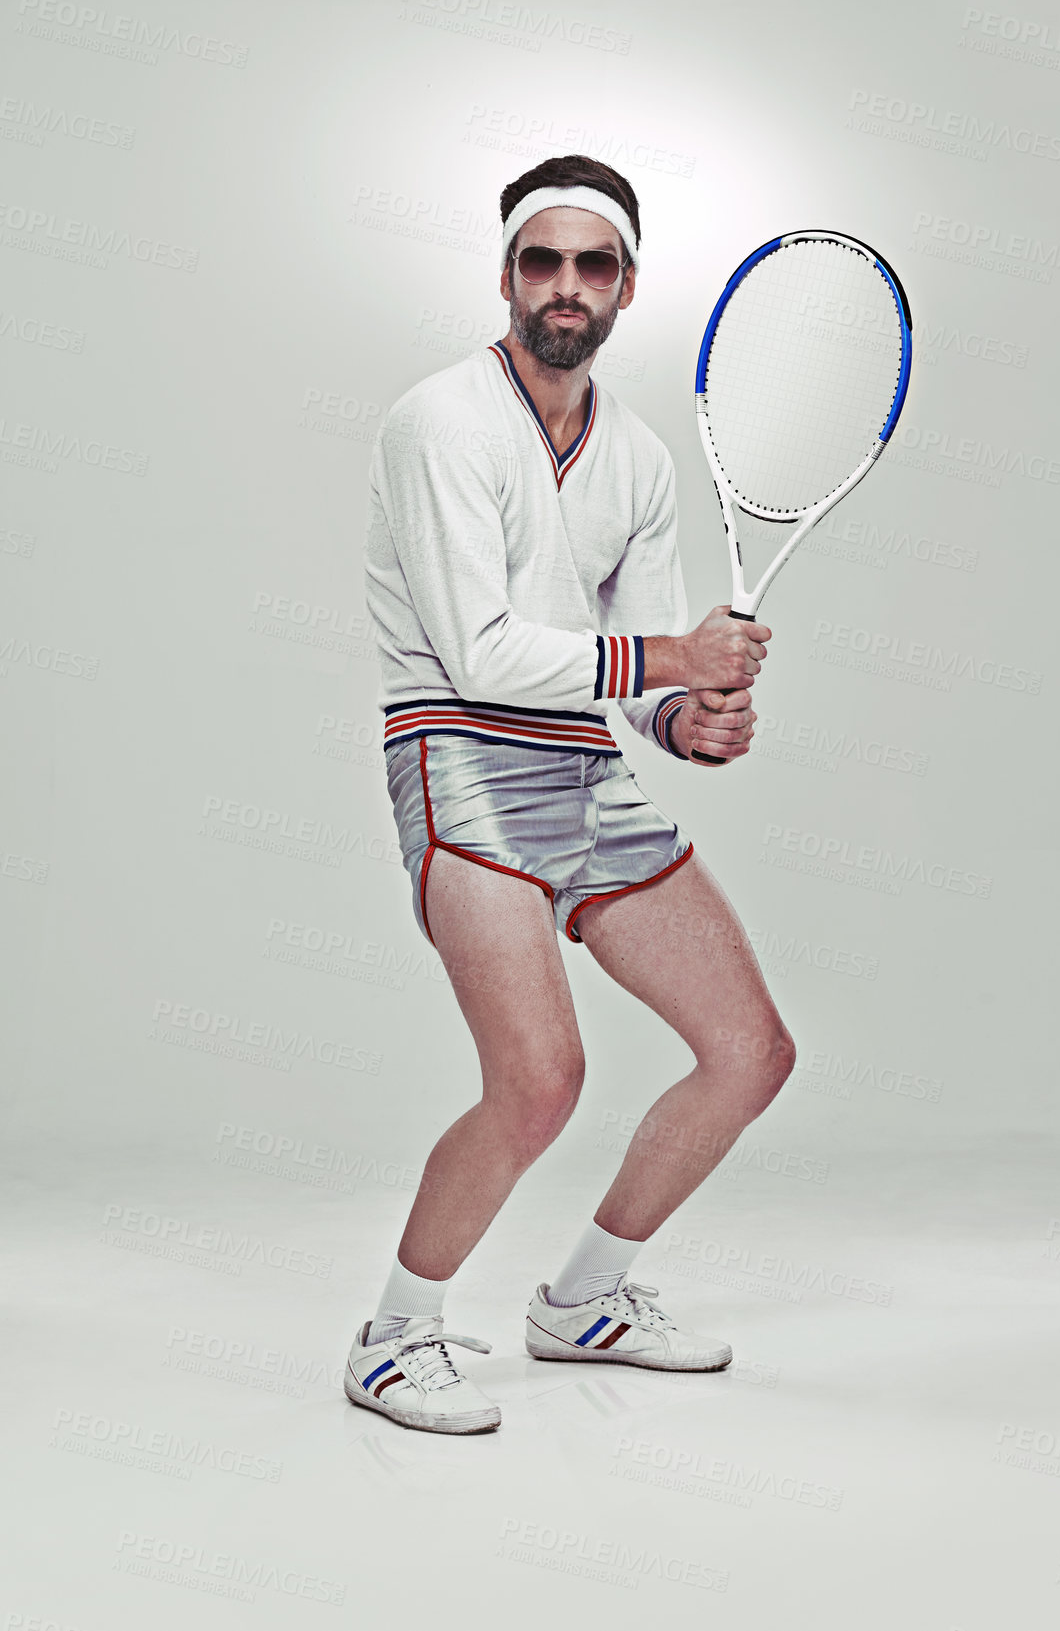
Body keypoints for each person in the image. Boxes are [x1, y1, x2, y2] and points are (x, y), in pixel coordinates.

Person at [349, 155, 796, 1434]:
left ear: (625, 288)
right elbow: (484, 647)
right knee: (539, 1079)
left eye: (591, 264)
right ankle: (395, 1337)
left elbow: (640, 672)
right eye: (540, 261)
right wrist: (673, 664)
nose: (564, 285)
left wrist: (696, 721)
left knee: (752, 1051)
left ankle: (586, 1301)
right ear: (505, 276)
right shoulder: (438, 421)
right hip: (461, 754)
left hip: (584, 769)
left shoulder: (641, 457)